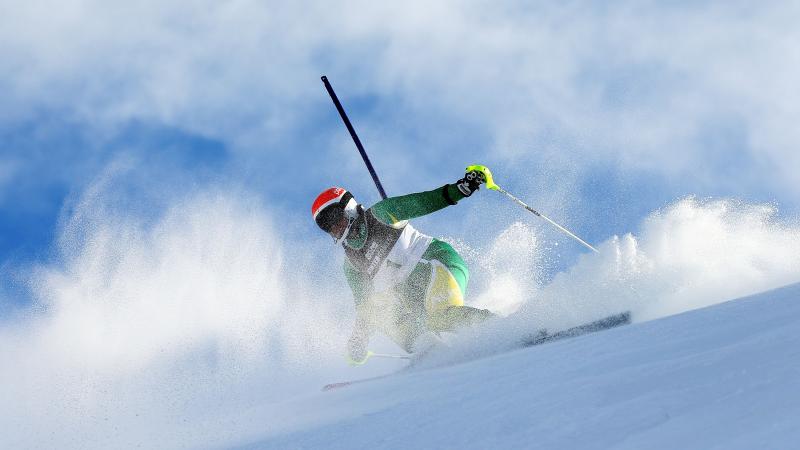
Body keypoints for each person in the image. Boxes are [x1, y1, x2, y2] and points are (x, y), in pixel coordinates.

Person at [311, 166, 496, 364]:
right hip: (413, 295)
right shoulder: (351, 264)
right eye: (327, 226)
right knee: (378, 311)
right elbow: (364, 306)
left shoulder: (381, 214)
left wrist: (461, 189)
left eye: (334, 218)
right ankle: (429, 351)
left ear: (348, 208)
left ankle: (499, 328)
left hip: (436, 263)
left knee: (440, 317)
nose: (334, 227)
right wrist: (359, 339)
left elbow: (424, 202)